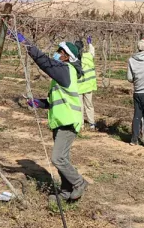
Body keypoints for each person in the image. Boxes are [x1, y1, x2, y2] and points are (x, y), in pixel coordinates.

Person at [11, 32, 88, 202]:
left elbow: (44, 63)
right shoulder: (63, 74)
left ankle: (79, 183)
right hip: (60, 121)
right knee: (63, 158)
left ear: (68, 57)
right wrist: (39, 103)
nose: (57, 54)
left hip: (68, 121)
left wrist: (27, 44)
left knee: (57, 158)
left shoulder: (66, 70)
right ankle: (66, 191)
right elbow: (55, 101)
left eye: (60, 52)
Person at [75, 36, 97, 131]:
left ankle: (81, 125)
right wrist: (90, 43)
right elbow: (92, 51)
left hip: (78, 87)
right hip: (88, 86)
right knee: (89, 105)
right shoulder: (88, 56)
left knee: (80, 106)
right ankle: (92, 124)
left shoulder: (74, 60)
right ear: (83, 48)